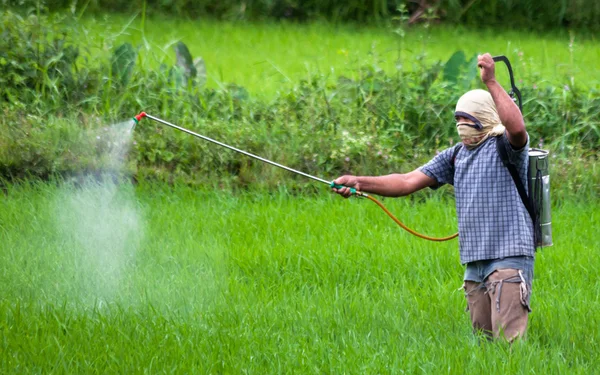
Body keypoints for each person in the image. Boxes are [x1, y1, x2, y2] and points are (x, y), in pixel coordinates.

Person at [332, 53, 535, 341]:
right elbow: (406, 181)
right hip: (475, 262)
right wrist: (359, 182)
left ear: (486, 116)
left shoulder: (508, 148)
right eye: (458, 118)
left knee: (509, 346)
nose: (461, 123)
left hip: (509, 256)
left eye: (468, 117)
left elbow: (517, 128)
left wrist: (490, 81)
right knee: (484, 346)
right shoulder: (455, 155)